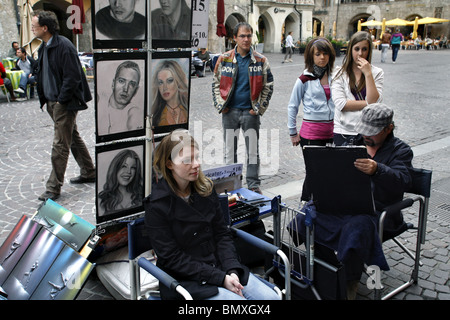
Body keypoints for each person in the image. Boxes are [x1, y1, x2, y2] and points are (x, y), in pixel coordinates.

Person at [290, 103, 413, 299]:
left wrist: (377, 169)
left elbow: (403, 181)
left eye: (372, 133)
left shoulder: (401, 151)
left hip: (379, 211)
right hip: (347, 203)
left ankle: (348, 281)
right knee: (311, 212)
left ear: (388, 129)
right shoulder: (354, 144)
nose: (366, 136)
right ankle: (326, 268)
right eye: (364, 131)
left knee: (356, 228)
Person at [144, 129, 281, 300]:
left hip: (222, 267)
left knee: (272, 298)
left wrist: (232, 270)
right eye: (188, 160)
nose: (196, 164)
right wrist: (220, 278)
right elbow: (173, 258)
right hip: (187, 281)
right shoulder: (157, 205)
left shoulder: (205, 190)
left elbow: (222, 234)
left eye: (197, 157)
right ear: (169, 164)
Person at [32, 10, 96, 201]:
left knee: (60, 144)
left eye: (34, 25)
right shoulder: (44, 47)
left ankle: (53, 187)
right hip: (53, 102)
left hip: (64, 103)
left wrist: (61, 100)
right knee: (72, 136)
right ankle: (89, 171)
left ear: (45, 28)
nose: (32, 28)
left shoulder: (64, 46)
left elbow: (72, 76)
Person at [212, 22, 274, 194]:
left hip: (250, 112)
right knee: (229, 151)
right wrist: (220, 105)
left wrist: (259, 108)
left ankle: (253, 184)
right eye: (242, 36)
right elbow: (216, 83)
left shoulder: (261, 60)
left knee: (252, 150)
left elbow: (269, 85)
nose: (246, 39)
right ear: (234, 38)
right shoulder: (224, 59)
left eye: (248, 36)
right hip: (229, 112)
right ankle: (231, 183)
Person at [287, 37, 336, 202]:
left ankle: (322, 204)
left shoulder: (335, 78)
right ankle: (307, 204)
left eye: (325, 53)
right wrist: (293, 132)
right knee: (314, 172)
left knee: (329, 171)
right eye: (318, 54)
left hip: (332, 132)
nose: (322, 57)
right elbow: (292, 106)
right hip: (311, 135)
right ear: (311, 56)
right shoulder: (304, 79)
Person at [331, 31, 384, 146]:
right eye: (356, 49)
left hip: (368, 130)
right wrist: (369, 103)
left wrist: (368, 74)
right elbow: (341, 104)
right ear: (350, 50)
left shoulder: (376, 73)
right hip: (343, 130)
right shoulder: (339, 73)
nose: (360, 53)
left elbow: (375, 100)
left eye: (364, 49)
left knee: (365, 164)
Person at [98, 60, 143, 135]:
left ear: (136, 90)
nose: (125, 88)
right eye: (121, 81)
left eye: (132, 84)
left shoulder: (134, 113)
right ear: (113, 83)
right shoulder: (100, 103)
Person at [98, 149, 143, 216]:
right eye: (124, 166)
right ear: (115, 168)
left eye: (133, 168)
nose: (128, 172)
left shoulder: (142, 194)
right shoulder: (102, 200)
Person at [151, 59, 189, 127]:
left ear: (178, 81)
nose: (165, 88)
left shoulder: (187, 108)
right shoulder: (155, 115)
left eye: (169, 81)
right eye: (160, 82)